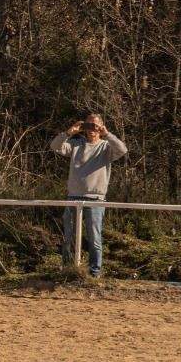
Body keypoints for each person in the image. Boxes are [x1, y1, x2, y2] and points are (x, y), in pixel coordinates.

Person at [49, 113, 128, 278]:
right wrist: (68, 133)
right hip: (73, 197)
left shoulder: (106, 147)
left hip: (96, 199)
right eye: (89, 125)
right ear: (84, 127)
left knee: (94, 238)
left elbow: (122, 150)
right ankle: (68, 270)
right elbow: (55, 146)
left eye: (95, 125)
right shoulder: (76, 144)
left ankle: (95, 272)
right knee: (68, 237)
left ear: (101, 127)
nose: (92, 129)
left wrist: (107, 134)